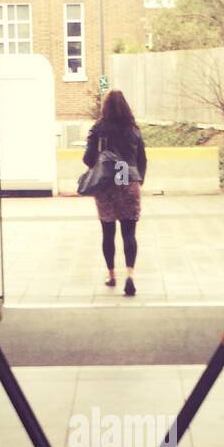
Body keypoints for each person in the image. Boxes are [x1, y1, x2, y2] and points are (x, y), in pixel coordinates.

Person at [84, 90, 147, 295]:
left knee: (108, 232)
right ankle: (130, 276)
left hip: (106, 184)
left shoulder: (98, 128)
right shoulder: (133, 130)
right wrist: (139, 180)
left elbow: (88, 159)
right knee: (129, 233)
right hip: (129, 181)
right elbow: (142, 160)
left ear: (105, 107)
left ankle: (112, 276)